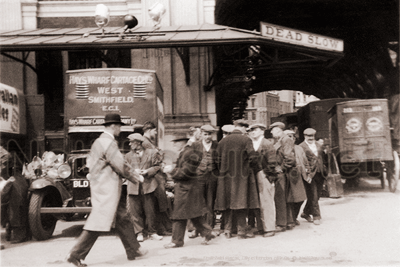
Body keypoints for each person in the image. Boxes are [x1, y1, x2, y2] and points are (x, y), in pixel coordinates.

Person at [66, 114, 147, 267]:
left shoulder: (99, 141)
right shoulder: (108, 142)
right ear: (113, 126)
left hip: (102, 185)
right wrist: (136, 178)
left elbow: (109, 163)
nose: (120, 129)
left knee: (122, 217)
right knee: (99, 222)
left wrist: (133, 173)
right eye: (119, 126)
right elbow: (120, 164)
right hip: (107, 187)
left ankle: (133, 249)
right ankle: (75, 254)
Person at [163, 133, 215, 248]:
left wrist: (171, 170)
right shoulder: (187, 152)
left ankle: (176, 241)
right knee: (193, 214)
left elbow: (185, 173)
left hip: (186, 189)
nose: (174, 145)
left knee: (178, 214)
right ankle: (207, 233)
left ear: (183, 142)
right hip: (188, 188)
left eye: (176, 142)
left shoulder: (188, 153)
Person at [215, 119, 259, 239]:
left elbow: (216, 160)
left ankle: (228, 231)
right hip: (242, 178)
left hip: (225, 178)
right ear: (243, 128)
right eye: (246, 129)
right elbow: (253, 158)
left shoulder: (223, 141)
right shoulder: (246, 140)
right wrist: (249, 169)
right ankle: (241, 231)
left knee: (227, 204)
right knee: (241, 204)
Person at [125, 133, 163, 242]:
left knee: (150, 211)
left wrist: (147, 171)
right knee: (135, 212)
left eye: (131, 142)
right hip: (133, 186)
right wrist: (133, 172)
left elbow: (157, 166)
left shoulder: (151, 153)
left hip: (149, 186)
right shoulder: (128, 156)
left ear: (138, 143)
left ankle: (152, 232)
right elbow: (125, 170)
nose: (129, 144)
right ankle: (139, 233)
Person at [141, 121, 172, 236]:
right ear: (149, 131)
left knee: (159, 202)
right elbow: (156, 158)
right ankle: (162, 228)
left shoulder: (148, 142)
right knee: (159, 202)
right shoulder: (146, 142)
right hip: (153, 176)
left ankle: (162, 228)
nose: (155, 133)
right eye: (154, 131)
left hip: (155, 174)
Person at [189, 125, 219, 238]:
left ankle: (209, 228)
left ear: (213, 135)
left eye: (210, 134)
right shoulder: (195, 145)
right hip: (198, 177)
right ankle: (197, 229)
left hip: (212, 177)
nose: (207, 137)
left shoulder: (217, 145)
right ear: (201, 134)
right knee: (198, 203)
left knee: (210, 204)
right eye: (205, 134)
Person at [248, 123, 277, 237]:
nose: (253, 132)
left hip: (264, 174)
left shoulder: (267, 144)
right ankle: (261, 227)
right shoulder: (253, 143)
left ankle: (269, 228)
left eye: (255, 130)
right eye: (252, 130)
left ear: (262, 131)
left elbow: (272, 162)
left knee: (266, 202)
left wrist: (269, 176)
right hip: (256, 175)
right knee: (258, 202)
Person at [270, 122, 297, 232]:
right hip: (284, 173)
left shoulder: (286, 140)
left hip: (283, 173)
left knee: (280, 198)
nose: (271, 132)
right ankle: (289, 221)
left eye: (273, 130)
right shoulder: (281, 140)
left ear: (278, 130)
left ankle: (282, 224)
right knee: (285, 198)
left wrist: (281, 168)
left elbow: (290, 158)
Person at [0, 146, 29, 245]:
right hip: (9, 176)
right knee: (5, 204)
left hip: (13, 178)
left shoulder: (4, 155)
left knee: (15, 204)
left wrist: (2, 171)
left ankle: (19, 233)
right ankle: (9, 227)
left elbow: (6, 157)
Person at [299, 128, 327, 225]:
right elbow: (301, 162)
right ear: (304, 136)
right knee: (313, 195)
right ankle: (316, 216)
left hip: (320, 173)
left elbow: (323, 158)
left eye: (312, 136)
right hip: (310, 174)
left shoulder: (319, 145)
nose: (310, 138)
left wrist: (325, 169)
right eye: (308, 136)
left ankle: (306, 212)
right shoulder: (301, 147)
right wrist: (306, 174)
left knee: (317, 195)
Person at [284, 129, 311, 225]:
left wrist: (308, 173)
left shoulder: (299, 148)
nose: (291, 138)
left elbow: (305, 162)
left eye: (292, 136)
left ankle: (294, 217)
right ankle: (290, 220)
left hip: (300, 176)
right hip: (288, 176)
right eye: (288, 136)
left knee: (301, 198)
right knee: (290, 199)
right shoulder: (282, 148)